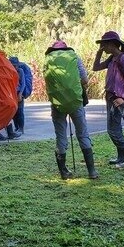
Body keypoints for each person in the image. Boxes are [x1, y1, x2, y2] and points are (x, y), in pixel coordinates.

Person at [44, 41, 98, 179]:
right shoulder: (75, 57)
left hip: (57, 104)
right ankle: (92, 172)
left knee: (61, 136)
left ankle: (63, 172)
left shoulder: (48, 60)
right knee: (83, 134)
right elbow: (85, 80)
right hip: (75, 102)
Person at [92, 31, 124, 169]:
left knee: (113, 130)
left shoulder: (123, 58)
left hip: (118, 98)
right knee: (115, 129)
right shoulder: (112, 58)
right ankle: (121, 157)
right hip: (110, 97)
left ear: (112, 44)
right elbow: (96, 67)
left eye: (104, 45)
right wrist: (98, 54)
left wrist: (123, 97)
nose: (103, 47)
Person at [5, 56, 25, 140]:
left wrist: (20, 93)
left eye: (16, 65)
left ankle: (20, 128)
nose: (15, 67)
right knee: (13, 112)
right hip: (11, 94)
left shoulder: (20, 71)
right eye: (13, 65)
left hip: (18, 93)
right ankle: (15, 128)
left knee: (20, 111)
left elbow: (23, 84)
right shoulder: (7, 71)